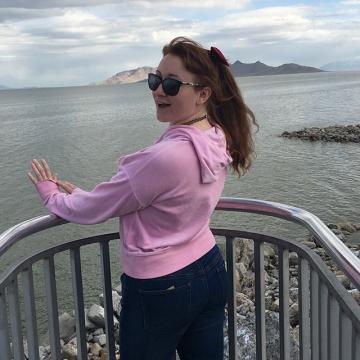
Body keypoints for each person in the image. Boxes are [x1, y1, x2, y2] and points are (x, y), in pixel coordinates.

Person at [28, 37, 256, 360]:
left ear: (203, 93)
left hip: (161, 288)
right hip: (209, 267)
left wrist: (52, 196)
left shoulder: (163, 158)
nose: (159, 91)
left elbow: (97, 206)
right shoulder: (217, 137)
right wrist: (84, 193)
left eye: (172, 85)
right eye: (155, 80)